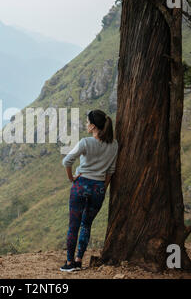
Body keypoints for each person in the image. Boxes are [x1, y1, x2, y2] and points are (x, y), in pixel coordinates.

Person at [60, 109, 118, 272]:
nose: (86, 124)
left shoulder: (86, 142)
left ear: (93, 126)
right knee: (86, 224)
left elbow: (67, 161)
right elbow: (110, 171)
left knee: (74, 225)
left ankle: (69, 264)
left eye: (87, 122)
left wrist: (71, 178)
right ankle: (79, 260)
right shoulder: (114, 145)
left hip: (81, 185)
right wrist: (102, 188)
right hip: (98, 188)